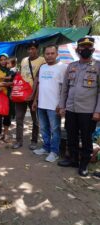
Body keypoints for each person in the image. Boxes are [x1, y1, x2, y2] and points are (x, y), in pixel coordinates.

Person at [58, 37, 100, 176]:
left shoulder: (98, 66)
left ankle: (84, 165)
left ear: (93, 49)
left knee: (87, 138)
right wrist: (62, 106)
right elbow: (65, 89)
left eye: (88, 47)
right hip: (71, 109)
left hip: (88, 111)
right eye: (82, 47)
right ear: (77, 50)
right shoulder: (71, 66)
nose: (85, 49)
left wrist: (98, 111)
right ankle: (74, 160)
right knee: (71, 136)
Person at [31, 45, 68, 162]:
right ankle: (46, 148)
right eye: (47, 54)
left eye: (52, 53)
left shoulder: (63, 67)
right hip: (41, 104)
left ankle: (54, 152)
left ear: (57, 54)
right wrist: (35, 101)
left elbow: (65, 88)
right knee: (44, 128)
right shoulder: (43, 67)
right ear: (44, 55)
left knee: (55, 130)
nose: (50, 56)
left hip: (54, 106)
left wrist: (61, 104)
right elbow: (39, 85)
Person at [12, 40, 45, 150]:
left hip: (34, 95)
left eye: (33, 48)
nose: (31, 50)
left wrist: (33, 96)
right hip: (22, 94)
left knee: (35, 120)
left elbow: (39, 79)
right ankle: (18, 141)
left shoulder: (42, 60)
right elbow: (20, 76)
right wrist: (15, 89)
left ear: (37, 49)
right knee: (19, 118)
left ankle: (34, 141)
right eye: (29, 49)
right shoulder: (24, 60)